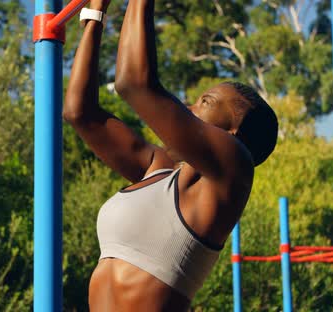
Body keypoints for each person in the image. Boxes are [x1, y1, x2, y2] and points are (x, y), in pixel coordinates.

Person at [63, 0, 278, 310]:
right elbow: (80, 113)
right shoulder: (159, 168)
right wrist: (94, 16)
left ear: (233, 135)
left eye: (206, 102)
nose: (188, 108)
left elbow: (134, 84)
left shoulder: (235, 170)